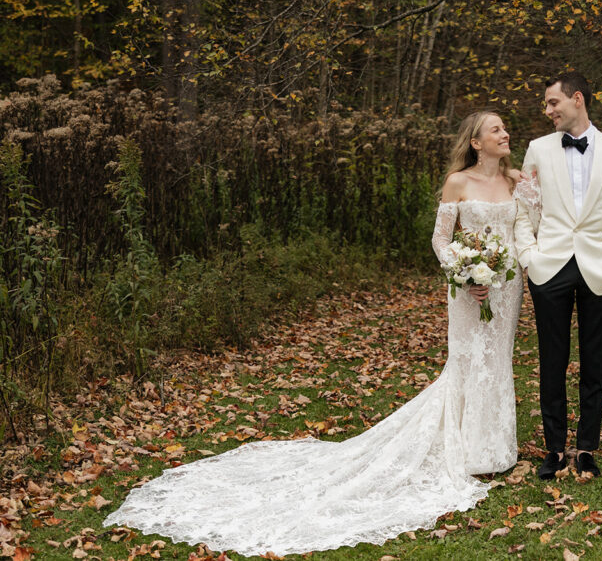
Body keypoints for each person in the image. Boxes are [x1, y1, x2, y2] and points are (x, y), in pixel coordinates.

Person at [103, 112, 532, 556]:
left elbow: (526, 226)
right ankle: (465, 449)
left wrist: (510, 260)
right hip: (466, 290)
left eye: (505, 127)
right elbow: (441, 240)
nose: (505, 133)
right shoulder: (457, 182)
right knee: (466, 360)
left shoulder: (513, 181)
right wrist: (462, 274)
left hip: (506, 287)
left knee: (497, 357)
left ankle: (494, 448)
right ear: (476, 142)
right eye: (496, 129)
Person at [514, 71, 602, 480]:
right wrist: (528, 255)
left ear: (577, 99)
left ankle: (587, 447)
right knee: (551, 361)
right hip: (549, 266)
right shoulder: (537, 149)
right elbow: (524, 210)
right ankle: (554, 449)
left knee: (596, 362)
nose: (548, 111)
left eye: (553, 103)